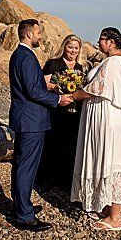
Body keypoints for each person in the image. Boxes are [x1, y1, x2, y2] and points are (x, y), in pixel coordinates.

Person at [67, 28, 121, 231]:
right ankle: (107, 208)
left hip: (110, 119)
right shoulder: (112, 61)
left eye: (101, 39)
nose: (98, 42)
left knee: (113, 161)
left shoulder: (114, 62)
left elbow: (97, 88)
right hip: (104, 117)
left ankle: (115, 218)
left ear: (111, 42)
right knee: (104, 159)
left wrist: (73, 96)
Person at [7, 18, 71, 231]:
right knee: (26, 167)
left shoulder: (19, 55)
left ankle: (21, 205)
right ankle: (25, 216)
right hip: (31, 120)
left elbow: (32, 85)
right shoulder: (26, 57)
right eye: (38, 33)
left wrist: (50, 87)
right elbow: (33, 91)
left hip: (25, 119)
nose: (40, 36)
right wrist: (58, 99)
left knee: (21, 164)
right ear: (28, 34)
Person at [40, 34, 88, 192]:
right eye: (70, 47)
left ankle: (66, 179)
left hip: (75, 111)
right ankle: (47, 178)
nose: (73, 51)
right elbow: (43, 84)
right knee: (53, 141)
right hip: (56, 109)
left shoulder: (81, 66)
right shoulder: (53, 63)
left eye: (76, 48)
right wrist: (57, 88)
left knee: (72, 144)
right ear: (64, 47)